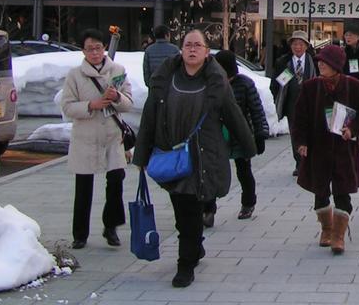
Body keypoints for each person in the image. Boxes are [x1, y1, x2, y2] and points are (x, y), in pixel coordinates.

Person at [133, 29, 255, 289]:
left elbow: (233, 114)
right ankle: (195, 245)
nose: (191, 49)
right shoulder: (166, 77)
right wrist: (142, 152)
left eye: (197, 45)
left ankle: (185, 265)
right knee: (182, 210)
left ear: (206, 51)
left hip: (203, 155)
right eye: (188, 44)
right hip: (171, 153)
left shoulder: (215, 80)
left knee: (191, 207)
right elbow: (149, 116)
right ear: (181, 48)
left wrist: (249, 145)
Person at [292, 43, 359, 254]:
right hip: (318, 147)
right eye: (319, 61)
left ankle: (339, 235)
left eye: (324, 62)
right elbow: (299, 117)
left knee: (342, 193)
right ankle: (326, 229)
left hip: (344, 149)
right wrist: (301, 142)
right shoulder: (311, 87)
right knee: (320, 192)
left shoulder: (354, 86)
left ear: (336, 65)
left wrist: (353, 129)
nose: (320, 65)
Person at [61, 28, 134, 249]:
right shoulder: (75, 75)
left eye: (98, 48)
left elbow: (129, 102)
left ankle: (111, 227)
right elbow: (66, 106)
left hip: (112, 135)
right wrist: (90, 106)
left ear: (104, 48)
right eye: (90, 49)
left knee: (116, 181)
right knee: (83, 187)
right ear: (83, 51)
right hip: (85, 136)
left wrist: (117, 97)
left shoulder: (117, 70)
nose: (95, 53)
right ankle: (80, 234)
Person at [209, 50, 269, 221]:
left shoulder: (244, 83)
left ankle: (248, 203)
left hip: (240, 133)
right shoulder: (211, 83)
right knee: (212, 171)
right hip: (217, 134)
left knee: (243, 170)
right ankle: (208, 208)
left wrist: (260, 134)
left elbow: (257, 111)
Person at [271, 30, 317, 176]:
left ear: (306, 46)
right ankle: (299, 162)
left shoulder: (314, 61)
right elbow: (275, 84)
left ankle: (309, 160)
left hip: (310, 103)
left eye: (301, 44)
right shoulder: (283, 62)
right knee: (295, 134)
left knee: (310, 132)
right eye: (295, 44)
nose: (298, 47)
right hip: (292, 103)